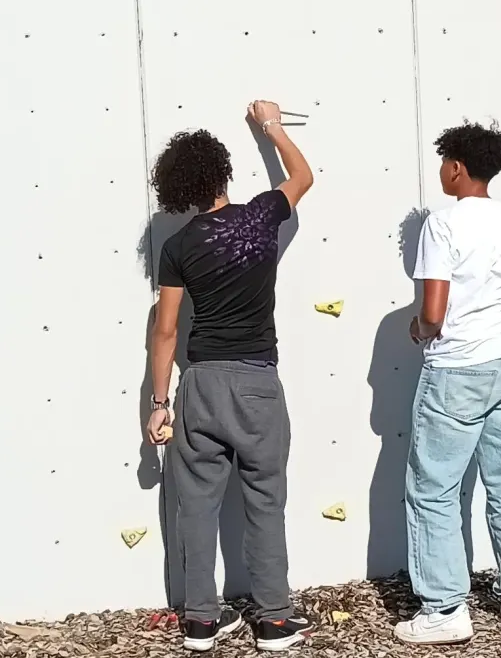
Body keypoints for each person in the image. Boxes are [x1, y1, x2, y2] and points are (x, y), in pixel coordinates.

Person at [144, 100, 317, 653]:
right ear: (222, 172)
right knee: (266, 500)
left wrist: (159, 401)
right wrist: (269, 124)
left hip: (200, 384)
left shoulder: (177, 247)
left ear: (180, 189)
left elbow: (165, 331)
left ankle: (199, 620)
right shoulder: (261, 216)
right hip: (257, 383)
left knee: (195, 503)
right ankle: (274, 620)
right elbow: (303, 176)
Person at [395, 121, 501, 646]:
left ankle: (444, 611)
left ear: (456, 167)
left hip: (457, 370)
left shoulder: (441, 226)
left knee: (433, 489)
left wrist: (418, 328)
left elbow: (434, 314)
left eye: (444, 163)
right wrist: (498, 322)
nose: (441, 171)